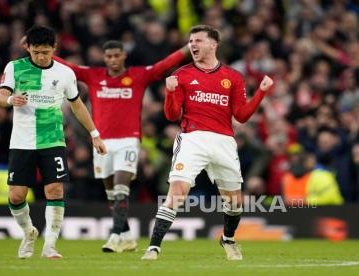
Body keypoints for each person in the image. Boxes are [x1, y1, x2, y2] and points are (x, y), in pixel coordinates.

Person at [141, 25, 274, 261]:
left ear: (213, 44)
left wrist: (261, 92)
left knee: (235, 202)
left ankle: (228, 239)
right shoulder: (182, 74)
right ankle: (153, 247)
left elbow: (241, 116)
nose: (193, 44)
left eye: (199, 40)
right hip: (193, 139)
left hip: (223, 141)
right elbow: (172, 116)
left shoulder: (233, 76)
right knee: (177, 193)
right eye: (191, 41)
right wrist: (170, 92)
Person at [53, 40, 188, 252]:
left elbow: (163, 65)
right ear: (104, 58)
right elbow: (71, 68)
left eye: (117, 55)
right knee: (111, 194)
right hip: (102, 141)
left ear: (124, 55)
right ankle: (127, 237)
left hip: (129, 140)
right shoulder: (94, 76)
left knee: (121, 186)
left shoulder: (138, 75)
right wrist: (41, 52)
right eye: (109, 56)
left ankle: (114, 236)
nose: (113, 60)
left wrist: (188, 47)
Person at [0, 25, 106, 259]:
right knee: (16, 196)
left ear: (54, 47)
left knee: (54, 189)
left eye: (45, 51)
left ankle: (50, 246)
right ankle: (28, 232)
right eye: (36, 52)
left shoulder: (65, 73)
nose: (41, 56)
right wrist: (10, 100)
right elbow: (0, 97)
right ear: (28, 48)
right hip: (22, 141)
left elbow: (77, 105)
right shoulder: (15, 68)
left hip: (52, 139)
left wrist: (94, 133)